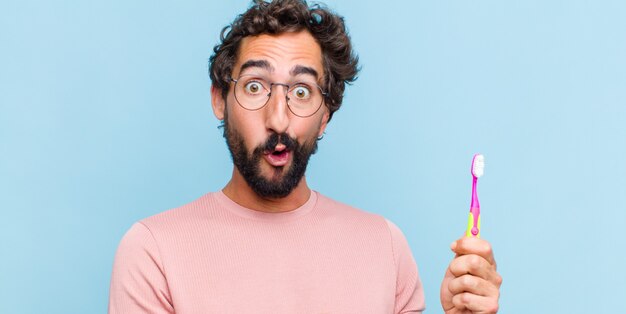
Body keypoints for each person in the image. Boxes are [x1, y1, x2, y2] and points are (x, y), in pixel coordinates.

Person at [108, 0, 502, 313]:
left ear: (325, 115)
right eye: (255, 86)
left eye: (301, 91)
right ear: (219, 99)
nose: (278, 119)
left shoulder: (385, 248)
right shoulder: (153, 251)